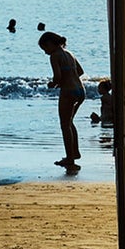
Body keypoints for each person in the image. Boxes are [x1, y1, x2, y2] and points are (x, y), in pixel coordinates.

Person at [37, 31, 85, 171]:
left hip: (68, 92)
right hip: (80, 91)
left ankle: (70, 158)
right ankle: (74, 152)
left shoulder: (54, 56)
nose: (45, 52)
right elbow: (81, 72)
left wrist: (53, 84)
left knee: (64, 125)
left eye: (45, 48)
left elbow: (57, 76)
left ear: (51, 44)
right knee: (69, 122)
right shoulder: (69, 53)